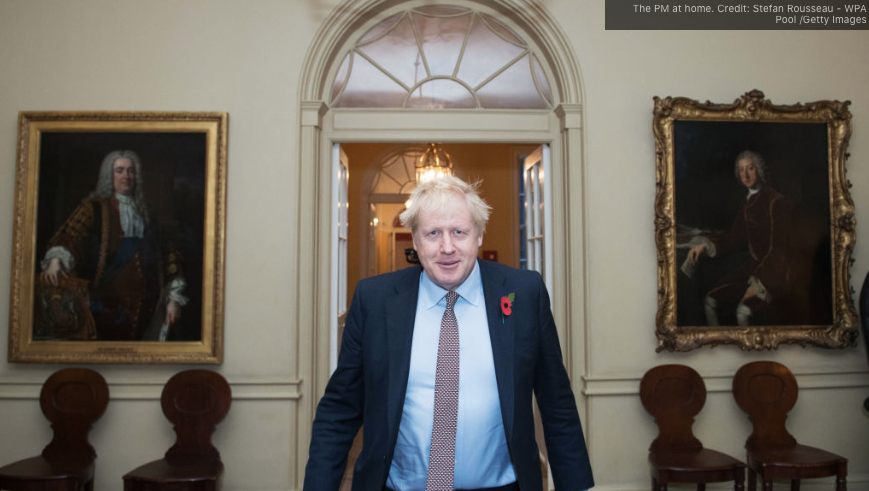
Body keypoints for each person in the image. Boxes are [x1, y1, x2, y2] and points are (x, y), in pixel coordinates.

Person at [304, 176, 593, 491]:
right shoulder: (374, 300)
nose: (447, 248)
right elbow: (340, 410)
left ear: (478, 235)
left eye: (459, 232)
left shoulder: (523, 294)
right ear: (415, 240)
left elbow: (557, 403)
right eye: (433, 233)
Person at [39, 149, 187, 341]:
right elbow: (70, 235)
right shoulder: (93, 208)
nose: (126, 176)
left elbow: (169, 257)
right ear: (109, 175)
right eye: (120, 170)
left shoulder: (148, 216)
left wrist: (174, 298)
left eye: (131, 171)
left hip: (146, 314)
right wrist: (56, 261)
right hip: (103, 310)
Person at [686, 150, 791, 326]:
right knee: (710, 301)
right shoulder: (747, 201)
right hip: (754, 266)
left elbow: (779, 250)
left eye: (750, 168)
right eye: (741, 169)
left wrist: (760, 284)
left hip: (775, 271)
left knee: (743, 312)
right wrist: (705, 246)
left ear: (759, 170)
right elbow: (735, 237)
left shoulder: (775, 201)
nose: (746, 174)